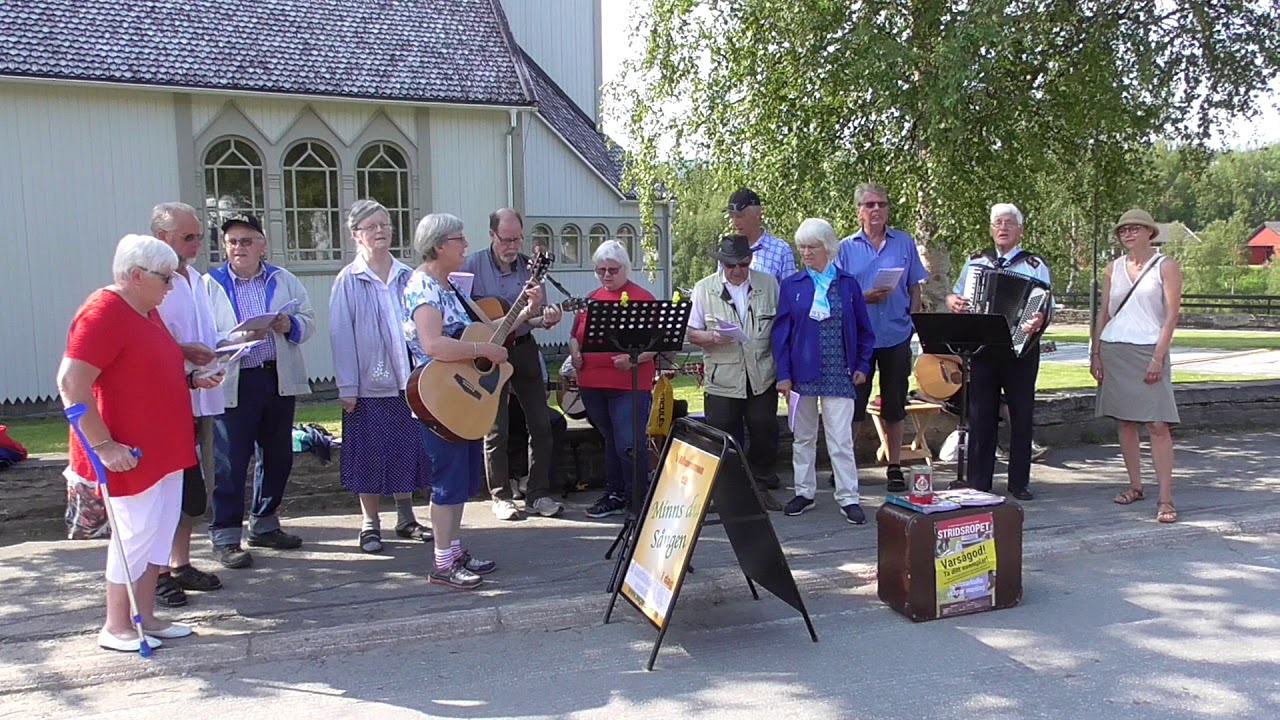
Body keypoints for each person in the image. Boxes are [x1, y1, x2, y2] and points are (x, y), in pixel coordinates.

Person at [57, 234, 200, 652]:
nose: (171, 286)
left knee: (158, 532)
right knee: (134, 535)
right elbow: (70, 382)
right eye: (165, 278)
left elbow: (147, 368)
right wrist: (103, 446)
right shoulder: (103, 312)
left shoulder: (146, 310)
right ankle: (117, 624)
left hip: (166, 447)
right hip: (130, 454)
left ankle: (147, 614)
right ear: (136, 276)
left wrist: (192, 376)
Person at [206, 213, 316, 568]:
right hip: (237, 380)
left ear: (262, 245)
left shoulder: (284, 280)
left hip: (276, 377)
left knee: (278, 455)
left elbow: (310, 320)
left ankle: (264, 524)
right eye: (233, 242)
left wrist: (289, 324)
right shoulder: (210, 284)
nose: (239, 247)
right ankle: (225, 535)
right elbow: (203, 335)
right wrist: (239, 337)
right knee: (231, 461)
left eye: (247, 240)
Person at [403, 213, 505, 589]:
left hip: (457, 395)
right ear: (439, 245)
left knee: (460, 478)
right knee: (447, 479)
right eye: (459, 239)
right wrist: (480, 348)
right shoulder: (424, 288)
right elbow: (433, 345)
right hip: (438, 398)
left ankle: (455, 550)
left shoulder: (449, 287)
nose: (465, 246)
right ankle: (442, 563)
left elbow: (486, 330)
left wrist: (528, 313)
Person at [329, 199, 432, 553]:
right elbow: (341, 335)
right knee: (370, 455)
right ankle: (369, 523)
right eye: (371, 227)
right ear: (356, 235)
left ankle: (406, 517)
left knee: (405, 449)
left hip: (409, 381)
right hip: (369, 385)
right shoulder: (348, 280)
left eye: (384, 224)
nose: (380, 231)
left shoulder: (407, 276)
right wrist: (348, 386)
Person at [461, 208, 564, 521]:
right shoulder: (472, 266)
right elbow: (464, 315)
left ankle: (538, 494)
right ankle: (501, 496)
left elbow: (534, 316)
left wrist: (546, 317)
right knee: (496, 429)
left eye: (517, 239)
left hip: (523, 349)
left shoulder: (530, 268)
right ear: (492, 235)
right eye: (506, 239)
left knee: (542, 425)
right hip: (489, 354)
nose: (512, 246)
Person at [151, 202, 228, 607]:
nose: (198, 243)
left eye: (200, 235)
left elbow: (211, 328)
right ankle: (158, 571)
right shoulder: (154, 281)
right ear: (162, 237)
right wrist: (184, 350)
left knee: (197, 490)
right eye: (188, 237)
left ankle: (180, 563)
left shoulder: (197, 279)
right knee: (170, 489)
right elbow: (148, 336)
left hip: (203, 393)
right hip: (168, 400)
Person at [772, 219, 875, 524]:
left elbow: (864, 330)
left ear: (828, 248)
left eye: (812, 246)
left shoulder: (847, 284)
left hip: (839, 371)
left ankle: (848, 497)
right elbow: (781, 334)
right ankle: (804, 492)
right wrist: (784, 374)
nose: (805, 252)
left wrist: (862, 364)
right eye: (802, 246)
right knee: (803, 436)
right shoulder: (792, 285)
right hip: (802, 373)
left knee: (840, 439)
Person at [946, 203, 1049, 500]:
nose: (1002, 228)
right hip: (983, 347)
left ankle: (1019, 482)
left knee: (1021, 414)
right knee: (981, 415)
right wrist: (954, 301)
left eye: (1008, 223)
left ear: (1020, 230)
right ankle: (979, 481)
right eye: (997, 223)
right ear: (991, 229)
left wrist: (1038, 318)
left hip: (1020, 349)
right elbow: (957, 293)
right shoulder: (977, 261)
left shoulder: (1034, 265)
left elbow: (1044, 305)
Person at [1091, 209, 1183, 523]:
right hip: (1116, 349)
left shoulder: (1166, 265)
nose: (1128, 234)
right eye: (1123, 230)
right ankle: (1135, 485)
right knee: (1125, 421)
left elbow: (1171, 316)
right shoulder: (1113, 268)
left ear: (1149, 232)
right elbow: (1103, 314)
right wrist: (1096, 353)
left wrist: (1158, 357)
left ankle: (1166, 498)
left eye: (1134, 229)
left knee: (1157, 424)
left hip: (1148, 349)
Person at [835, 182, 928, 492]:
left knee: (895, 404)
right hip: (860, 339)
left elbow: (916, 287)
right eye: (870, 205)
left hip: (896, 335)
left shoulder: (903, 243)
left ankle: (895, 466)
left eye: (882, 204)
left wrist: (913, 321)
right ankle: (844, 466)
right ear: (859, 211)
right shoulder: (845, 248)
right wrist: (864, 297)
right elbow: (835, 295)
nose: (877, 210)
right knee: (855, 404)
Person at [686, 234, 783, 511]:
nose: (738, 271)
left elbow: (781, 326)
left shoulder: (768, 284)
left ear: (750, 259)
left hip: (761, 373)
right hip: (723, 376)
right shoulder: (704, 288)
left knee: (764, 429)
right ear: (722, 265)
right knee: (722, 434)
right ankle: (725, 492)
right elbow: (691, 333)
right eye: (731, 266)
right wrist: (711, 338)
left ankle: (759, 485)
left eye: (742, 264)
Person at [569, 240, 658, 518]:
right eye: (600, 270)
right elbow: (574, 334)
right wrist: (574, 352)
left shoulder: (641, 298)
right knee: (610, 439)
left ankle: (638, 498)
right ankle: (616, 493)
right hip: (591, 382)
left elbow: (659, 341)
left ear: (625, 269)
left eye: (612, 269)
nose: (606, 275)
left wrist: (633, 359)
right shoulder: (591, 299)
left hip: (627, 383)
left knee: (629, 443)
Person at [725, 188, 797, 284]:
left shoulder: (781, 250)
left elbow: (789, 293)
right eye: (731, 216)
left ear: (757, 215)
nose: (734, 222)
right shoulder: (727, 249)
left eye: (739, 216)